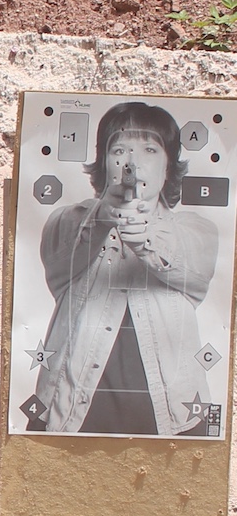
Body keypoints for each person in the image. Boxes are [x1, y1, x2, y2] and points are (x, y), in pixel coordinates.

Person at [30, 101, 215, 435]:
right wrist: (102, 217)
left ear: (168, 167)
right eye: (120, 149)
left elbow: (193, 262)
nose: (133, 162)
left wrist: (147, 238)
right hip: (71, 410)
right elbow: (58, 252)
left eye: (149, 149)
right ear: (104, 163)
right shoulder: (70, 219)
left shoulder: (195, 228)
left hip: (174, 416)